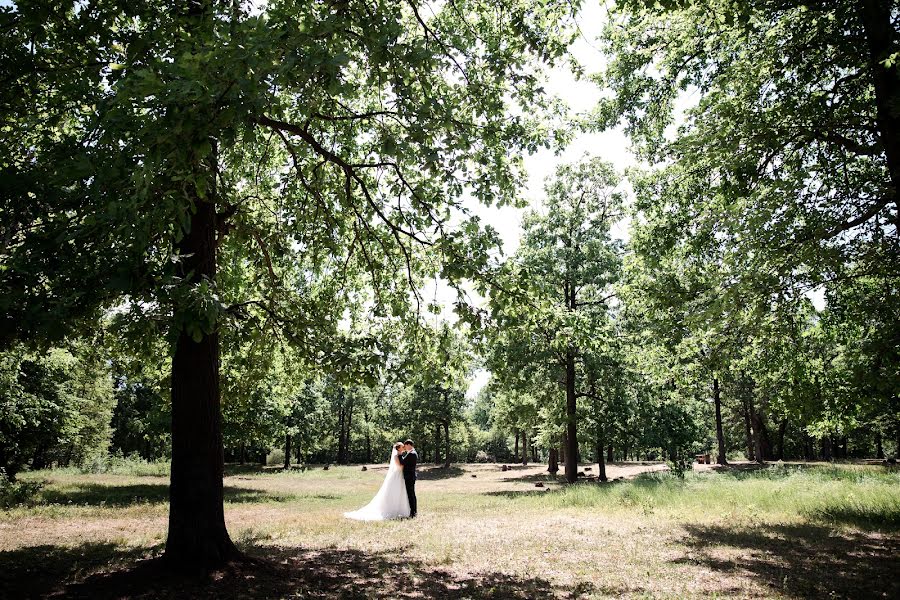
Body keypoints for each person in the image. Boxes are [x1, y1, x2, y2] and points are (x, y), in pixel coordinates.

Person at [343, 442, 410, 521]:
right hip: (397, 475)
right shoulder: (396, 456)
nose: (404, 448)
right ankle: (392, 509)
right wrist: (407, 464)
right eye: (402, 447)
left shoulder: (401, 455)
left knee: (401, 491)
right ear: (398, 448)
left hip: (400, 475)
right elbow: (399, 466)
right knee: (394, 491)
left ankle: (401, 509)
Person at [398, 439, 418, 518]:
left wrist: (399, 454)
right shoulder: (411, 453)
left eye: (405, 446)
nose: (405, 448)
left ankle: (413, 512)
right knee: (411, 494)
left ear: (409, 445)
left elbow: (402, 462)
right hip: (410, 476)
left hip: (409, 477)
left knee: (411, 495)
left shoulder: (412, 454)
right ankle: (413, 511)